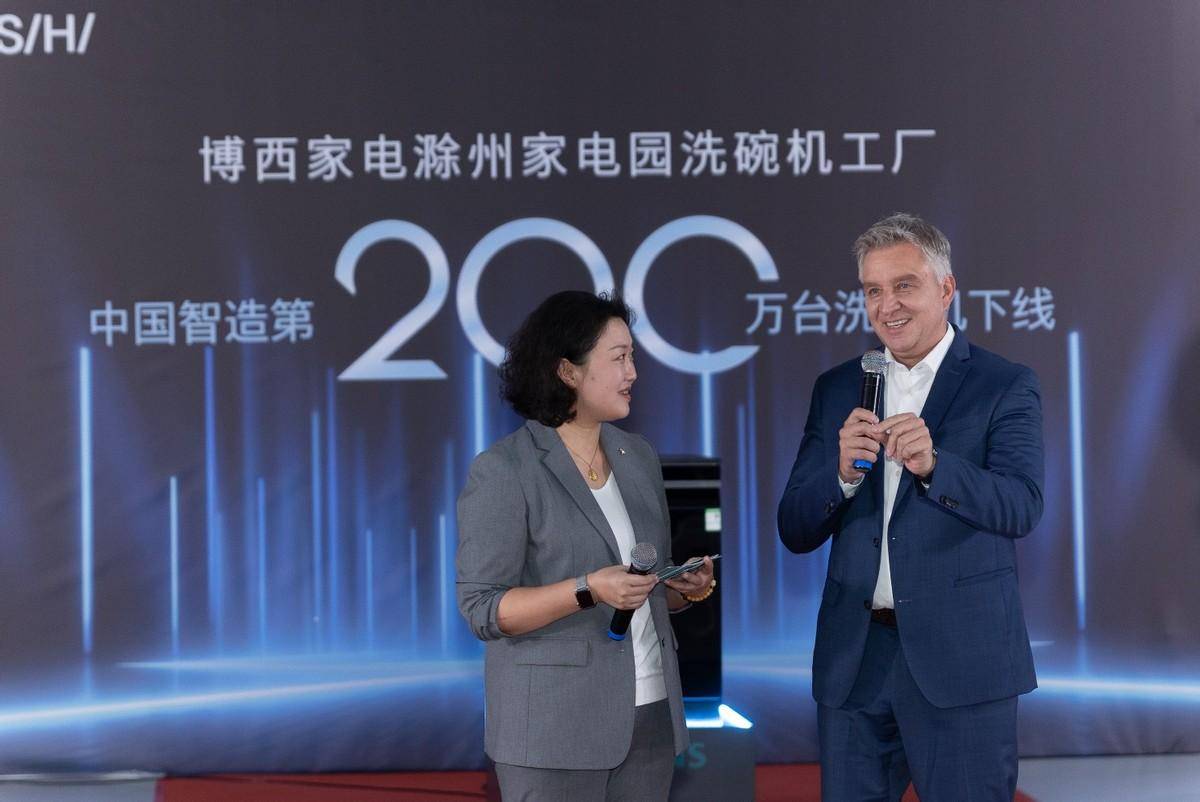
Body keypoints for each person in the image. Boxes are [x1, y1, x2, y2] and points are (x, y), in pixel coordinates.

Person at [777, 213, 1044, 800]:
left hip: (962, 661)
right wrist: (841, 477)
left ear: (946, 289)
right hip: (856, 660)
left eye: (904, 285)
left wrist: (937, 467)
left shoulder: (1003, 384)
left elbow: (1022, 505)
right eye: (873, 290)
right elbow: (794, 526)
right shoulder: (839, 387)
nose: (887, 306)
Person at [457, 290, 716, 801]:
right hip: (553, 728)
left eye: (633, 357)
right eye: (619, 358)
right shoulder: (505, 469)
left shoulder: (637, 456)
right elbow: (483, 608)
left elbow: (642, 587)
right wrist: (588, 588)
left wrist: (685, 588)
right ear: (567, 371)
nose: (633, 372)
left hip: (649, 716)